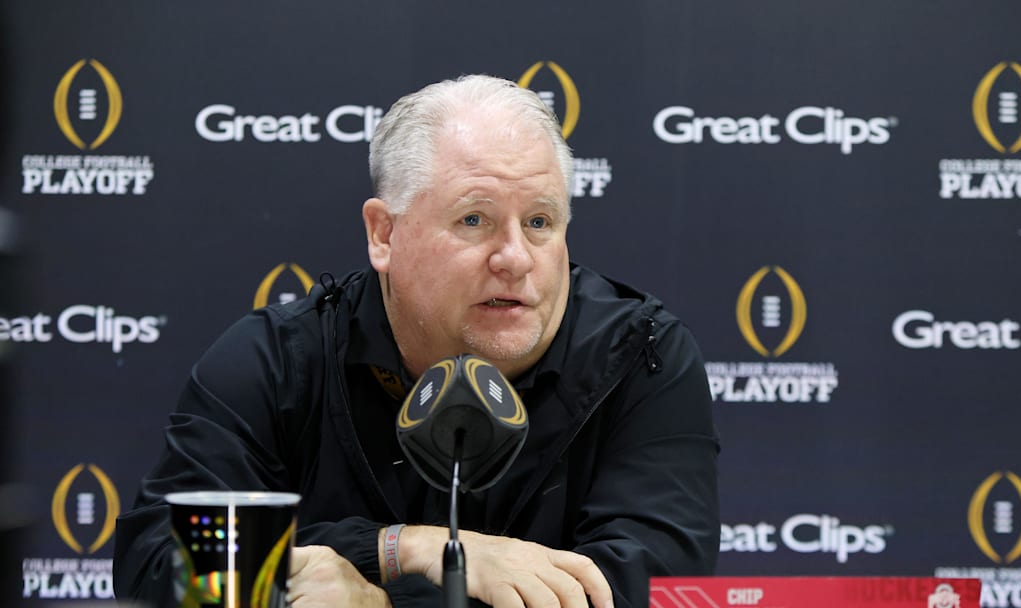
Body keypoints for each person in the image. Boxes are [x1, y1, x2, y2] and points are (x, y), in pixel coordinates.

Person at [113, 74, 720, 607]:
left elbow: (646, 587)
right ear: (383, 233)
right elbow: (154, 564)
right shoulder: (276, 361)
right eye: (474, 220)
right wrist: (405, 548)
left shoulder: (640, 356)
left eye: (539, 222)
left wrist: (379, 600)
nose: (514, 257)